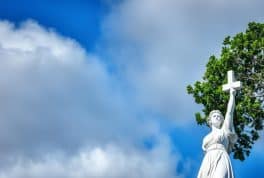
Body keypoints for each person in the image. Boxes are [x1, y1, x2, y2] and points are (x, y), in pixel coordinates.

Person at [197, 88, 238, 178]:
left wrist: (232, 95)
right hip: (208, 158)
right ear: (210, 121)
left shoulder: (224, 130)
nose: (217, 117)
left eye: (219, 116)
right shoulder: (206, 137)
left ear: (222, 120)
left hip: (221, 155)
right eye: (214, 116)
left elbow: (229, 112)